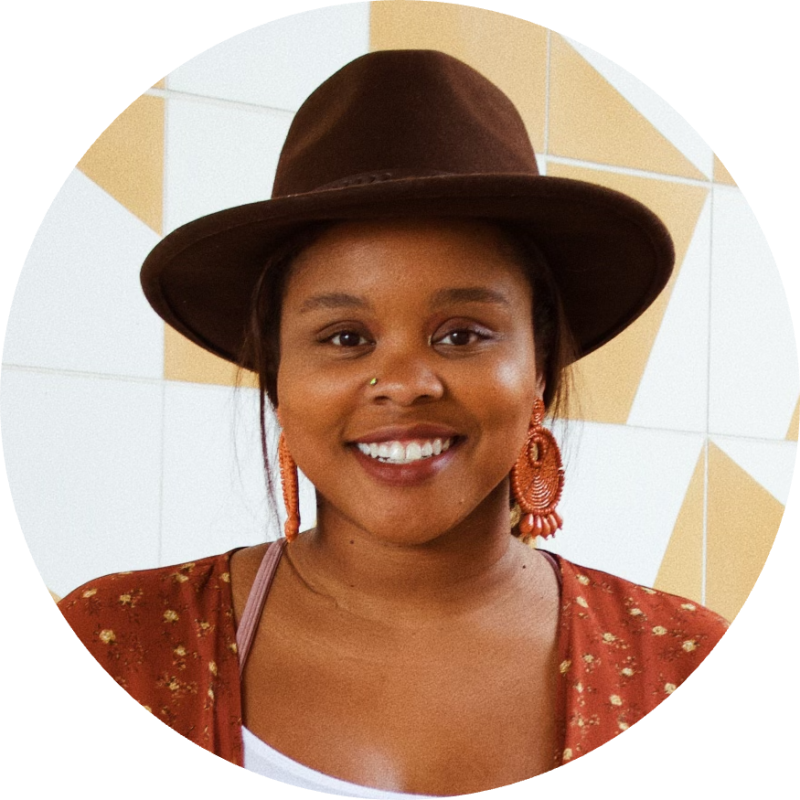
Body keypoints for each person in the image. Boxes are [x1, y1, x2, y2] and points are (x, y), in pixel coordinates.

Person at [58, 50, 728, 794]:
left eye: (462, 334)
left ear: (539, 365)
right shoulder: (116, 645)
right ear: (279, 379)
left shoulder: (682, 663)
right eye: (346, 337)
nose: (405, 385)